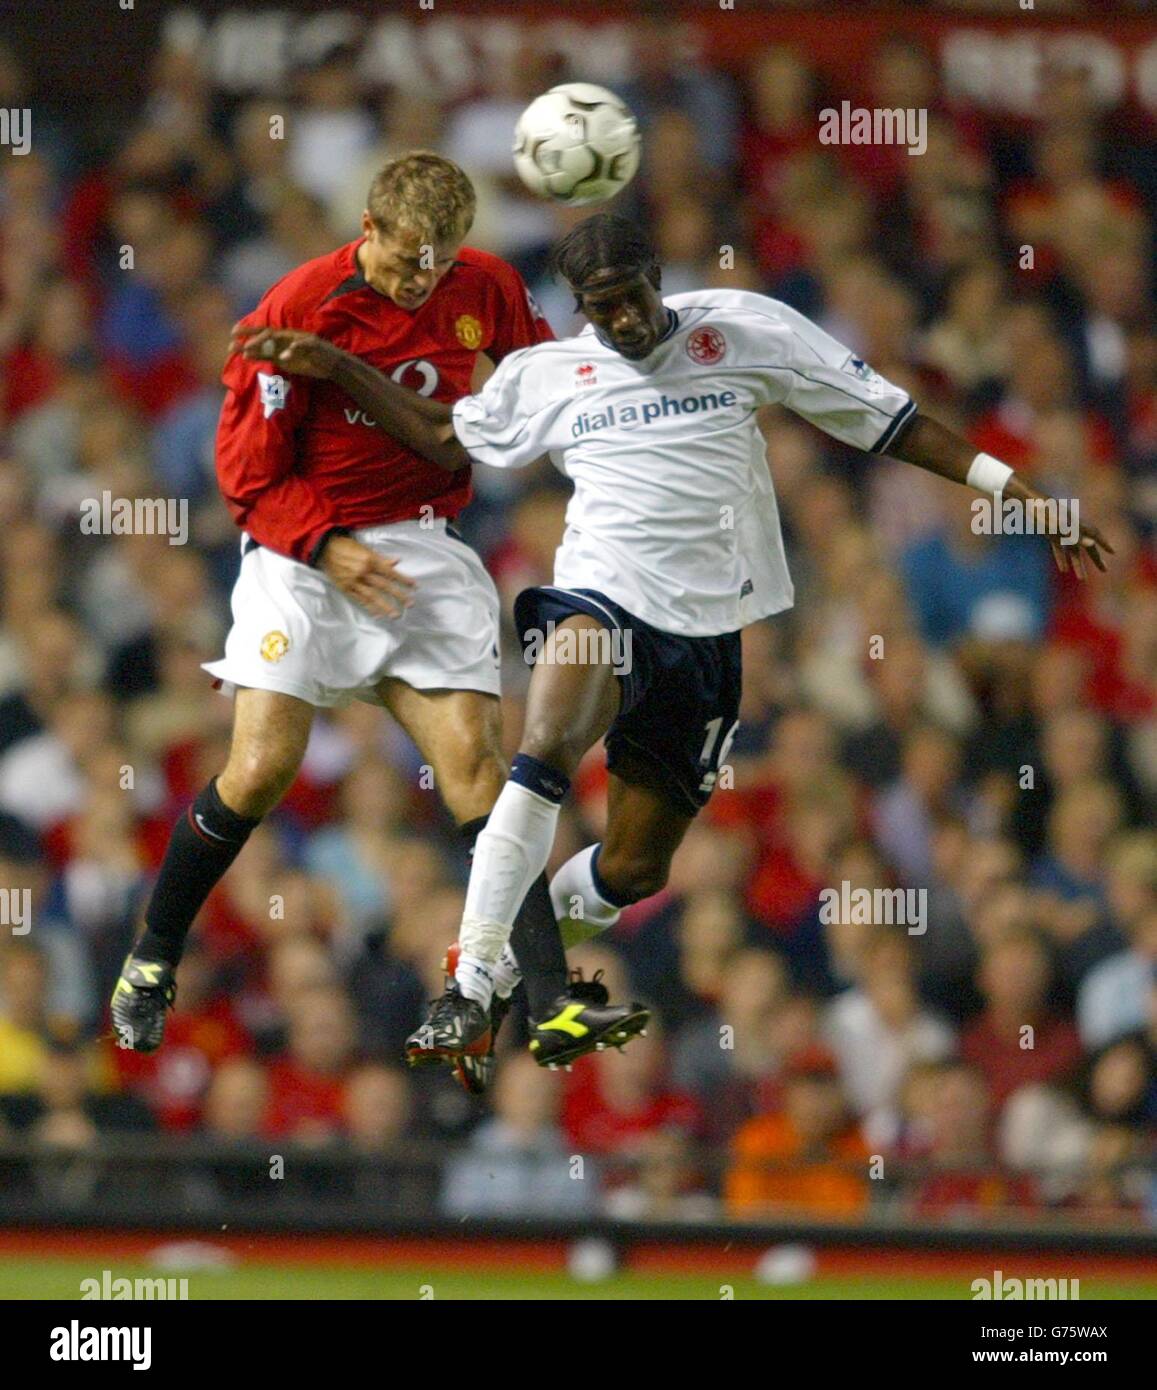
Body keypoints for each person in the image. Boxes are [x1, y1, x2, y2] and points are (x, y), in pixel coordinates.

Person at [232, 211, 1113, 1071]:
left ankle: (494, 971)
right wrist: (336, 366)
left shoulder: (745, 328)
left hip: (707, 631)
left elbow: (892, 422)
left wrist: (1019, 489)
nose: (617, 320)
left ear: (659, 282)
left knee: (634, 866)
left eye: (627, 298)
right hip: (596, 598)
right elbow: (435, 432)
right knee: (542, 752)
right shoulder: (551, 373)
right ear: (576, 305)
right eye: (597, 305)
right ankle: (475, 980)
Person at [111, 158, 646, 1089]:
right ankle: (152, 957)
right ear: (367, 226)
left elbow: (544, 376)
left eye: (435, 267)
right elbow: (245, 475)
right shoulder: (297, 305)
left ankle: (549, 998)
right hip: (305, 552)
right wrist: (323, 548)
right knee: (261, 767)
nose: (419, 283)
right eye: (404, 264)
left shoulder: (484, 285)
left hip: (424, 549)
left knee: (482, 775)